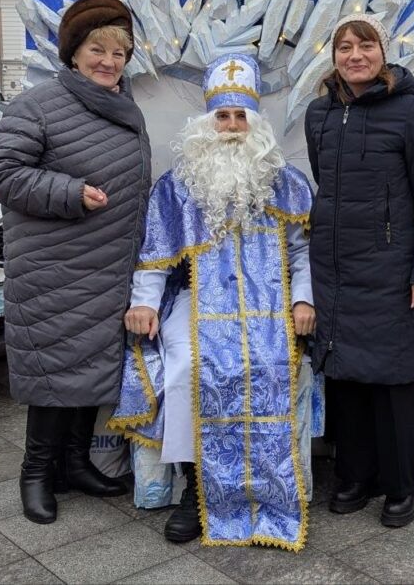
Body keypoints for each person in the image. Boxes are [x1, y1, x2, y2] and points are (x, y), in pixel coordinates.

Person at [109, 54, 315, 551]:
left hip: (271, 309)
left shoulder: (285, 182)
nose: (231, 126)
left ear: (256, 123)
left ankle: (265, 488)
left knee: (267, 367)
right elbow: (155, 258)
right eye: (222, 117)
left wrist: (304, 301)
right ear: (207, 123)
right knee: (185, 370)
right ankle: (195, 488)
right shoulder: (178, 186)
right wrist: (145, 306)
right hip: (196, 304)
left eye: (240, 116)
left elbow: (304, 252)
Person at [0, 0, 152, 524]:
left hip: (106, 265)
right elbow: (3, 173)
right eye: (96, 50)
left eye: (119, 53)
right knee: (54, 369)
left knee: (89, 366)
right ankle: (36, 474)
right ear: (74, 54)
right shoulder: (39, 105)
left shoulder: (125, 106)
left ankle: (76, 464)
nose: (108, 61)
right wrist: (70, 191)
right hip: (55, 267)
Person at [304, 14, 414, 528]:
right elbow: (326, 185)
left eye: (365, 46)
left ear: (382, 53)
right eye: (345, 47)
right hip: (335, 270)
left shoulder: (412, 113)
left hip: (391, 270)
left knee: (391, 381)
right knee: (345, 380)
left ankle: (399, 486)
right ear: (334, 56)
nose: (355, 56)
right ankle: (354, 477)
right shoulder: (319, 114)